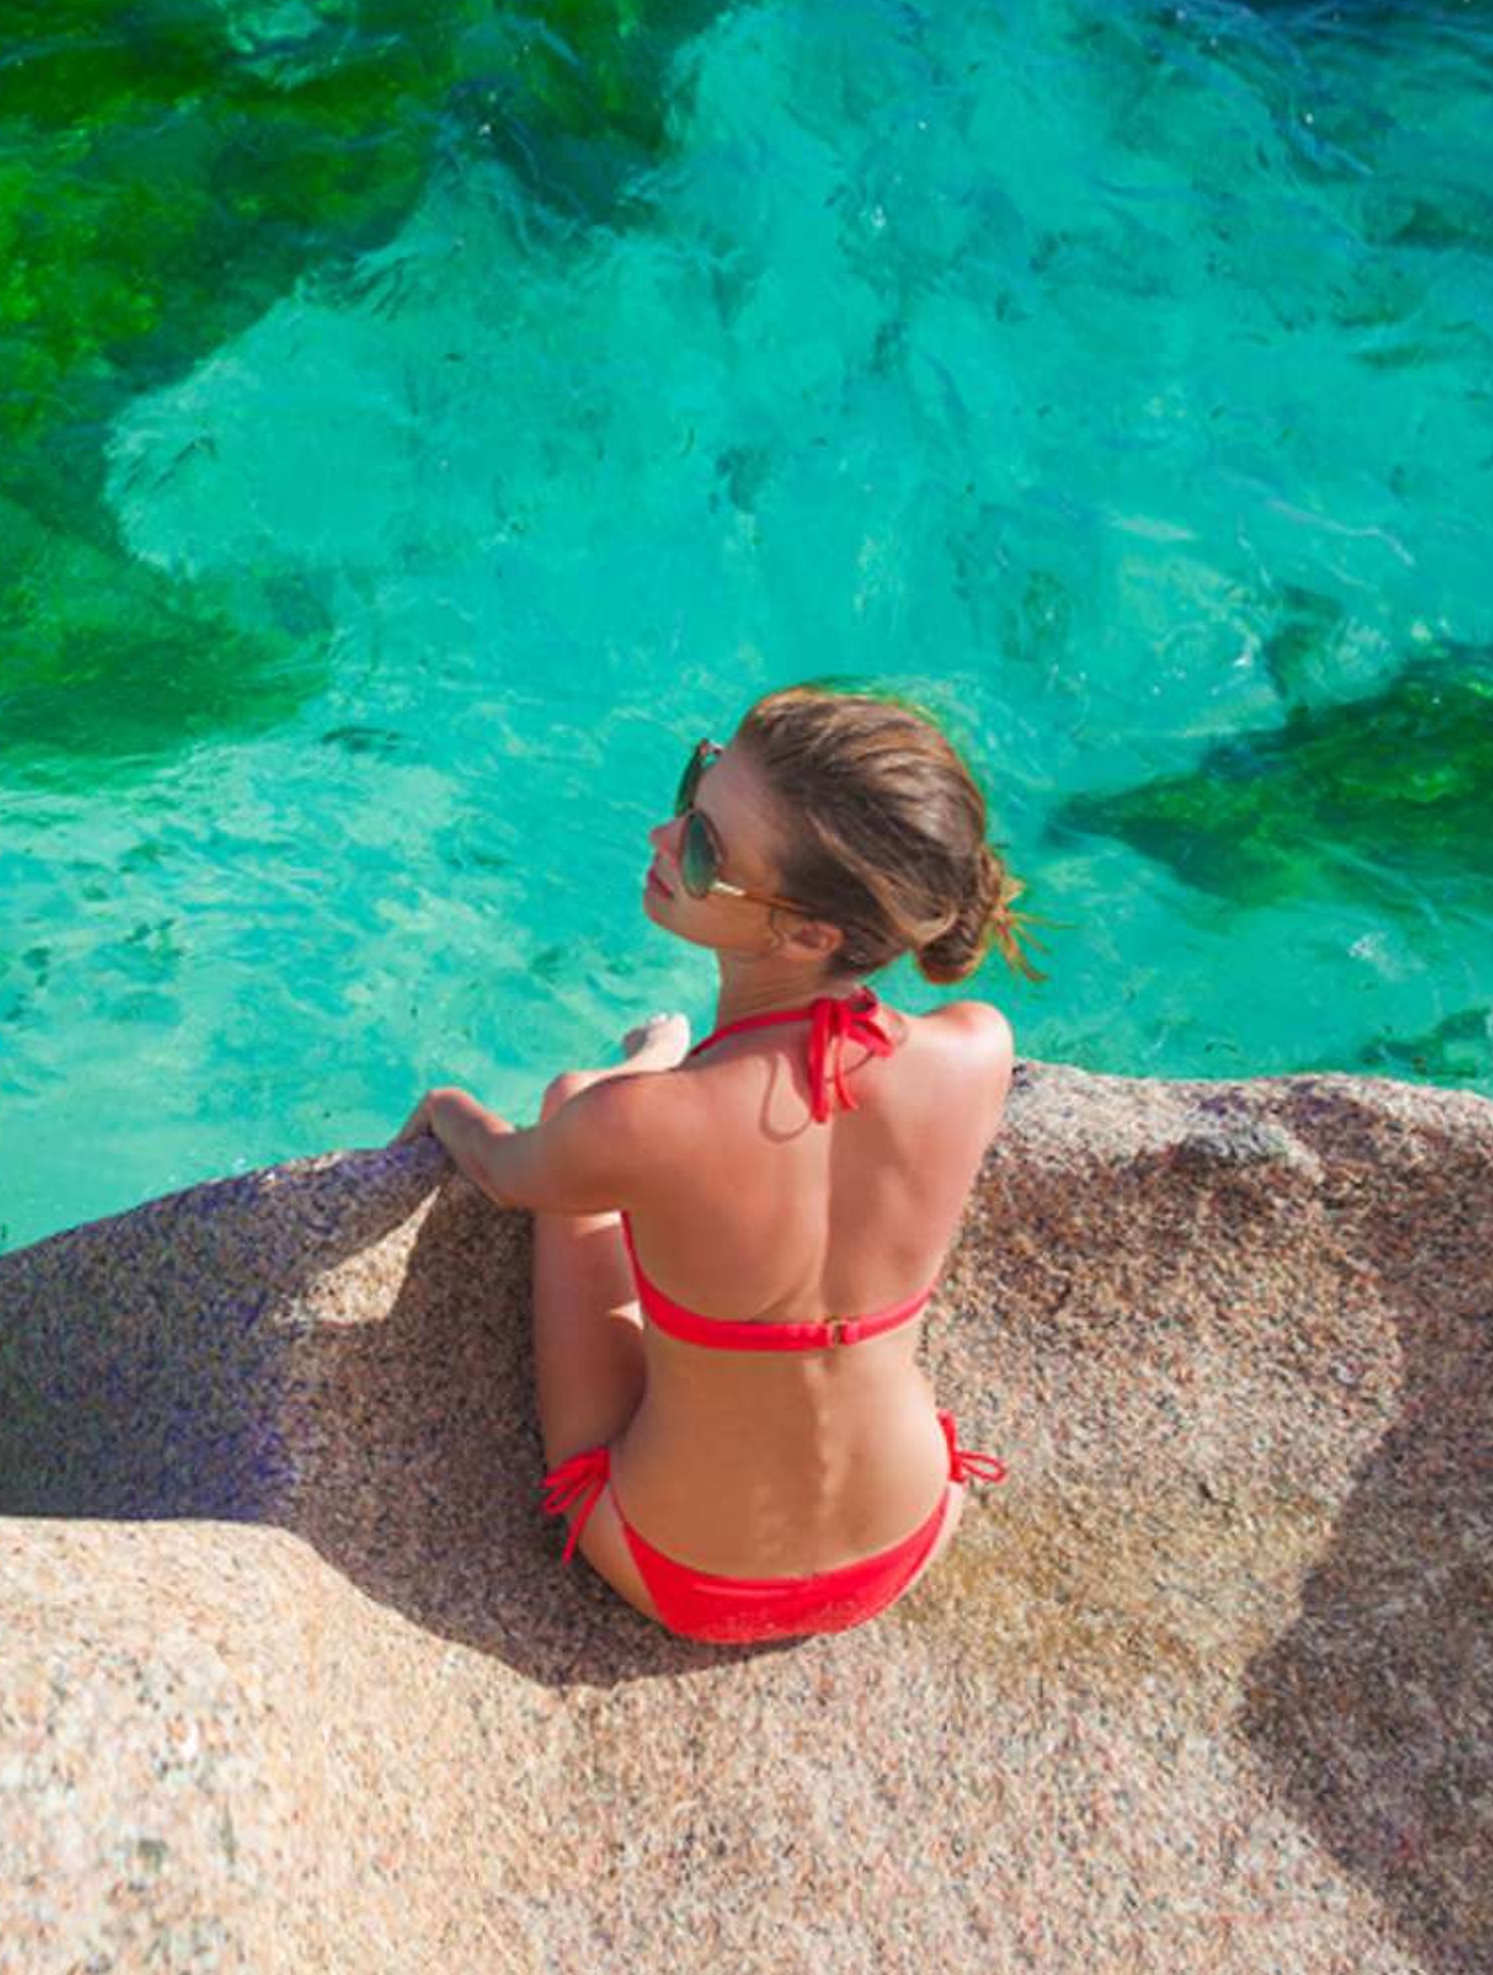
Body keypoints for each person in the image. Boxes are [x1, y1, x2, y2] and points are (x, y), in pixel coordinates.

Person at [394, 682, 1048, 1643]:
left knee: (573, 1103)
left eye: (703, 847)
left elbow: (505, 1173)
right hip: (907, 1537)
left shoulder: (640, 1123)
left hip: (688, 1574)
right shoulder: (977, 1050)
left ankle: (628, 1060)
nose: (662, 838)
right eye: (694, 789)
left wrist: (451, 1109)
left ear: (812, 933)